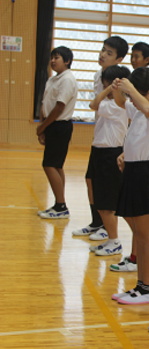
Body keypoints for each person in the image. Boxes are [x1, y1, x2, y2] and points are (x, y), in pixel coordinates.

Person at [110, 67, 149, 305]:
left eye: (134, 94)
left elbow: (148, 109)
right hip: (132, 172)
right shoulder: (137, 110)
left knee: (146, 236)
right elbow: (120, 101)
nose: (131, 99)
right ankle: (141, 286)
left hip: (144, 174)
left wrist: (131, 90)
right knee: (139, 233)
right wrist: (118, 87)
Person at [72, 36, 128, 240]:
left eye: (109, 53)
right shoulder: (98, 75)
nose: (103, 54)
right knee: (90, 181)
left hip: (113, 142)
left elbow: (99, 106)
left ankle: (107, 227)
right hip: (100, 136)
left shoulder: (121, 86)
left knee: (107, 190)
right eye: (103, 50)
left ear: (119, 59)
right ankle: (97, 222)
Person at [86, 65, 132, 257]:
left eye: (109, 84)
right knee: (101, 202)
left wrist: (111, 89)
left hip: (110, 154)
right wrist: (109, 89)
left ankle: (114, 241)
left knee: (106, 204)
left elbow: (93, 104)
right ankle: (110, 239)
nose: (106, 88)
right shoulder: (111, 103)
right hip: (100, 152)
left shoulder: (117, 106)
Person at [36, 46, 78, 219]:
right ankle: (59, 204)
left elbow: (59, 107)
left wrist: (42, 126)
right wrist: (42, 126)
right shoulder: (53, 79)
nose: (52, 61)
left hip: (59, 126)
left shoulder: (67, 79)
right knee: (57, 165)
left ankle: (61, 206)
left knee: (49, 165)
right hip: (51, 125)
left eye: (57, 58)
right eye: (52, 57)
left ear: (67, 61)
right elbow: (45, 103)